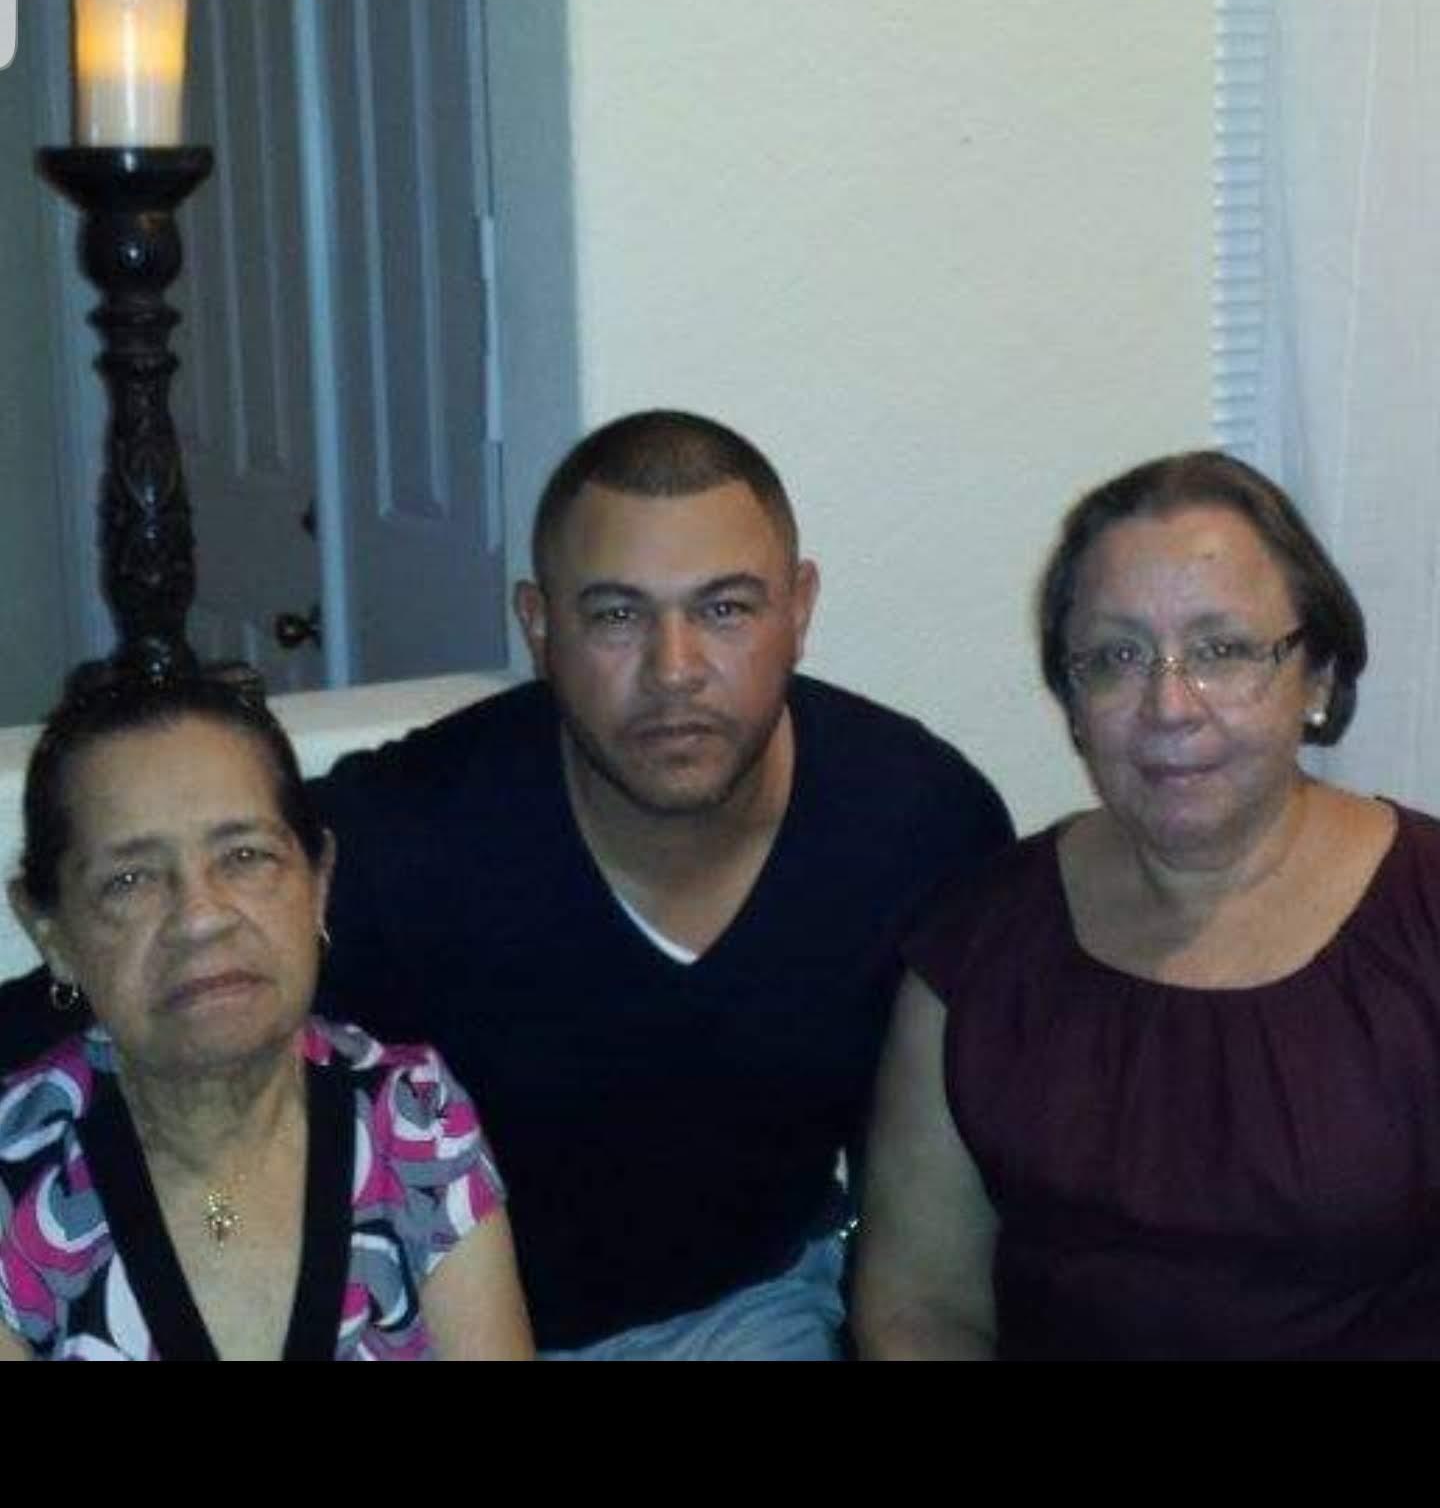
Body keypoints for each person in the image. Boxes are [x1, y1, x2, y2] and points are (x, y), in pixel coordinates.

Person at [302, 411, 1012, 1357]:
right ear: (539, 626)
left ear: (799, 611)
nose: (674, 671)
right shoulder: (401, 837)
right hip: (449, 1324)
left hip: (753, 1307)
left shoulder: (921, 825)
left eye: (725, 610)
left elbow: (944, 1222)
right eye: (617, 616)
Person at [852, 447, 1440, 1362]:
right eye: (1118, 657)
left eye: (1222, 650)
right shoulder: (975, 949)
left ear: (1318, 677)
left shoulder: (1427, 919)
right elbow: (920, 1306)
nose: (1170, 705)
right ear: (1073, 700)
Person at [0, 669, 533, 1363]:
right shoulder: (13, 1189)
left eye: (245, 856)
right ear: (51, 933)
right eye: (129, 879)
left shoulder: (417, 1121)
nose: (200, 918)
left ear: (318, 884)